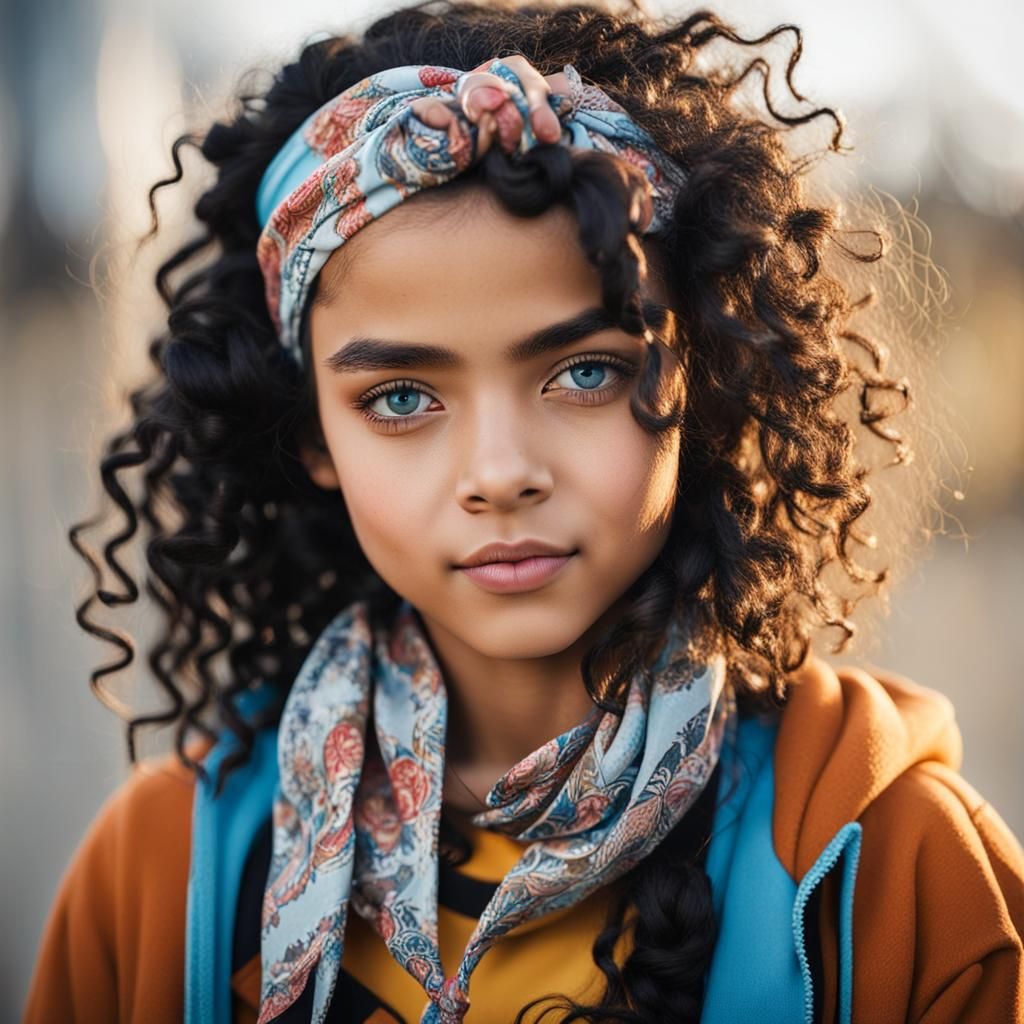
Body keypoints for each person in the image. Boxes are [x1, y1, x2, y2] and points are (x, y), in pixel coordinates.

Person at [23, 2, 1024, 1022]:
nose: (499, 474)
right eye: (401, 398)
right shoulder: (158, 876)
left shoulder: (908, 878)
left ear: (701, 378)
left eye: (585, 372)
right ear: (313, 435)